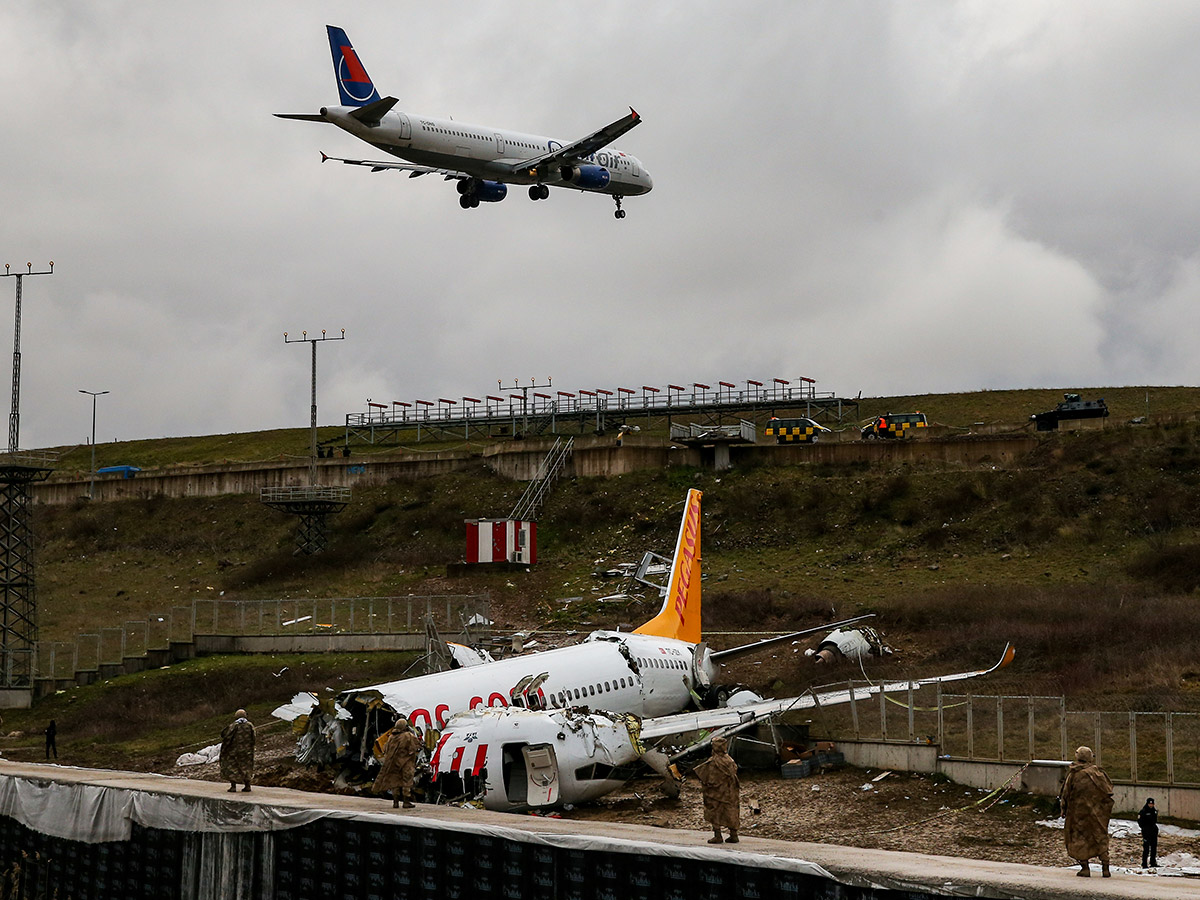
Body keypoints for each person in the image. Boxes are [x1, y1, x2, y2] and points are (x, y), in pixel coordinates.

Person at [1059, 745, 1114, 877]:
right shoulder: (1098, 773)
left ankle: (1085, 867)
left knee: (1079, 840)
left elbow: (1066, 794)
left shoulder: (1074, 774)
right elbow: (1108, 791)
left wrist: (1063, 809)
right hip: (1096, 813)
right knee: (1099, 836)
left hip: (1078, 815)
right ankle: (1105, 867)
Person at [695, 736, 740, 844]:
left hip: (716, 792)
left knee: (714, 811)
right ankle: (733, 834)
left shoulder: (714, 762)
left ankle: (718, 835)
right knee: (731, 811)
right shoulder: (729, 760)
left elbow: (710, 778)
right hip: (730, 792)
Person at [373, 718, 421, 809]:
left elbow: (385, 749)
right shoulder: (408, 736)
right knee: (407, 781)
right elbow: (416, 745)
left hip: (393, 763)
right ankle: (406, 801)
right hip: (406, 762)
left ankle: (396, 802)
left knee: (395, 781)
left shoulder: (391, 737)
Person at [220, 708, 256, 793]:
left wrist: (225, 749)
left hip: (234, 751)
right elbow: (253, 737)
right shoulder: (250, 725)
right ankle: (247, 785)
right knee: (246, 767)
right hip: (247, 752)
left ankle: (233, 786)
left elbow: (226, 737)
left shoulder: (234, 726)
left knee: (233, 768)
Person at [1138, 797, 1159, 869]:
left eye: (1152, 804)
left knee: (1154, 847)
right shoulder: (1143, 811)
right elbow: (1140, 821)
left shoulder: (1154, 811)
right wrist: (1144, 828)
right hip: (1146, 831)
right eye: (1150, 804)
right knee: (1146, 848)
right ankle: (1144, 863)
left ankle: (1153, 862)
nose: (1151, 805)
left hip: (1153, 831)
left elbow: (1155, 821)